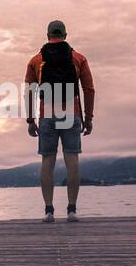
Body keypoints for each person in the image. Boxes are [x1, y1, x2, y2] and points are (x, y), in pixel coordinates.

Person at [24, 20, 95, 222]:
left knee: (48, 160)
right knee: (72, 159)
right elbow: (89, 90)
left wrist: (30, 120)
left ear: (47, 35)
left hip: (47, 115)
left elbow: (29, 91)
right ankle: (72, 210)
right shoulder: (78, 58)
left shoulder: (36, 60)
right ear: (65, 35)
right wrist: (88, 118)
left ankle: (48, 211)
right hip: (71, 114)